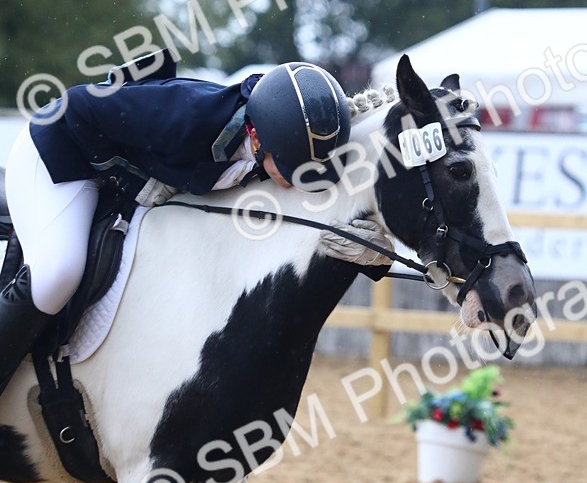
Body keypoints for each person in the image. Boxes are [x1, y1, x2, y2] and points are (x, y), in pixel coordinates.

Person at [0, 59, 352, 398]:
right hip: (58, 151)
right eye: (288, 169)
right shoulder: (188, 118)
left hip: (97, 150)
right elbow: (76, 107)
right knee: (57, 274)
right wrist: (128, 178)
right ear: (257, 137)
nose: (292, 183)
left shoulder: (271, 138)